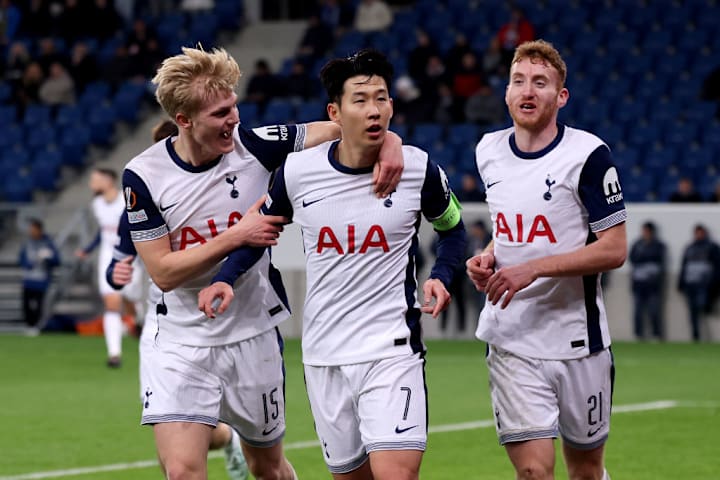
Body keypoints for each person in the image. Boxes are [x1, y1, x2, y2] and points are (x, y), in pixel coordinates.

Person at [121, 46, 402, 480]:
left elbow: (346, 127)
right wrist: (237, 235)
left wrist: (393, 144)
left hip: (252, 333)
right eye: (219, 114)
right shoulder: (144, 176)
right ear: (184, 121)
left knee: (267, 468)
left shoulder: (255, 146)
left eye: (233, 107)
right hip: (178, 340)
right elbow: (164, 271)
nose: (233, 120)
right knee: (181, 470)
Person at [198, 48, 466, 479]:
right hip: (325, 356)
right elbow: (260, 230)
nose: (374, 109)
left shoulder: (418, 169)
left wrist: (441, 275)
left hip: (392, 349)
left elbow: (453, 229)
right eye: (360, 99)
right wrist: (225, 278)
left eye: (381, 97)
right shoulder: (297, 172)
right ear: (335, 112)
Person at [466, 40, 627, 480]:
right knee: (534, 472)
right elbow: (509, 229)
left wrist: (533, 268)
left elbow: (614, 248)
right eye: (518, 81)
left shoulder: (589, 156)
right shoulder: (488, 150)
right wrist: (487, 256)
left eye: (541, 82)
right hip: (512, 337)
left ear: (561, 96)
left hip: (578, 341)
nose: (527, 91)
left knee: (587, 471)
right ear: (506, 92)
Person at [107, 118, 250, 480]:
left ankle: (233, 436)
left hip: (234, 318)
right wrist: (116, 271)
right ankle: (229, 438)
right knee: (171, 450)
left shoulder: (218, 191)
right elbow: (120, 256)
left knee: (263, 453)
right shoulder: (142, 197)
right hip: (166, 326)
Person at [76, 167, 145, 368]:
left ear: (108, 180)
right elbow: (102, 232)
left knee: (131, 301)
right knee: (112, 301)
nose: (91, 183)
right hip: (108, 257)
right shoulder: (96, 204)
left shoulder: (127, 201)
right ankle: (114, 354)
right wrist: (88, 249)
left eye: (94, 179)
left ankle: (138, 320)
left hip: (130, 256)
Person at [677, 224, 720, 342]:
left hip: (705, 284)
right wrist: (680, 283)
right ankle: (696, 336)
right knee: (693, 312)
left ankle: (710, 335)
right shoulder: (690, 248)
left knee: (703, 306)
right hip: (691, 284)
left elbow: (717, 267)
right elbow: (684, 265)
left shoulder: (712, 247)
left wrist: (715, 284)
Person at [18, 218, 61, 330]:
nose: (32, 232)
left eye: (34, 229)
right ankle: (29, 325)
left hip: (41, 280)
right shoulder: (27, 243)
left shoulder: (48, 243)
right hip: (28, 280)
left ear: (40, 230)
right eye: (31, 229)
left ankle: (37, 326)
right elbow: (21, 259)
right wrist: (30, 263)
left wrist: (48, 258)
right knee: (26, 305)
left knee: (39, 306)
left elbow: (57, 261)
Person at [629, 221, 666, 341]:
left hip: (652, 284)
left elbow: (660, 262)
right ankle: (638, 334)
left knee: (654, 310)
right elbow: (632, 259)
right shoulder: (637, 244)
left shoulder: (658, 245)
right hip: (639, 284)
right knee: (637, 311)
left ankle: (656, 334)